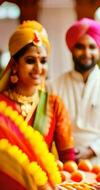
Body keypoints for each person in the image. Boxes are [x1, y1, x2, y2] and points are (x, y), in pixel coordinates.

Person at [47, 18, 100, 164]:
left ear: (99, 50)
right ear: (71, 49)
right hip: (61, 164)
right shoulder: (52, 86)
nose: (86, 52)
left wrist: (91, 150)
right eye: (80, 47)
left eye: (92, 47)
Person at [0, 20, 75, 162]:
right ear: (14, 65)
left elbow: (68, 157)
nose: (39, 68)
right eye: (30, 60)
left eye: (43, 61)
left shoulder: (54, 104)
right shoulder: (1, 104)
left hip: (43, 181)